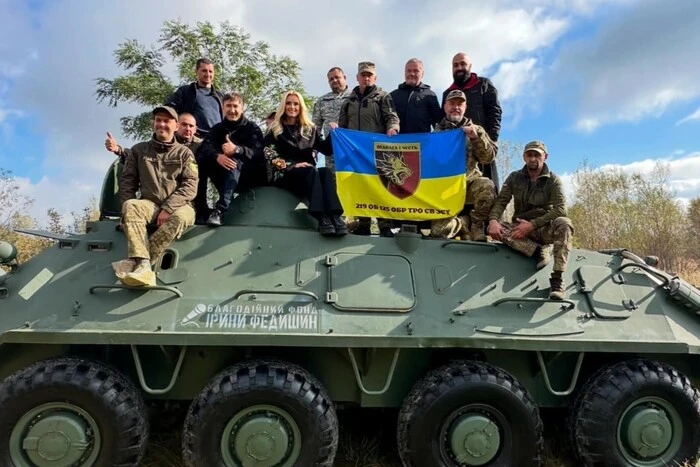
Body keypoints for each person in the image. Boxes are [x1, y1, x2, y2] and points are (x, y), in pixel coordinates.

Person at [112, 105, 197, 287]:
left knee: (180, 217)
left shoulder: (184, 153)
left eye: (167, 121)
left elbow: (190, 186)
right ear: (153, 124)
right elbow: (127, 182)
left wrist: (168, 208)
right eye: (158, 120)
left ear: (175, 126)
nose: (162, 124)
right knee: (131, 206)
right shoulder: (139, 150)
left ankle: (137, 262)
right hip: (150, 204)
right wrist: (126, 214)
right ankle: (143, 264)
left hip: (181, 206)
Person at [487, 141, 574, 300]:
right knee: (496, 228)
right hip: (520, 230)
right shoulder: (515, 177)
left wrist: (533, 225)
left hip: (544, 228)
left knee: (564, 223)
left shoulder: (553, 180)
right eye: (529, 155)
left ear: (545, 157)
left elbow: (561, 209)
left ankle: (557, 279)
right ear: (524, 157)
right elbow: (501, 201)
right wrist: (493, 220)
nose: (533, 159)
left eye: (537, 155)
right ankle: (538, 250)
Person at [265, 90, 346, 236]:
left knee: (325, 172)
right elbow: (269, 155)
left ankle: (334, 215)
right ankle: (321, 217)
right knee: (311, 171)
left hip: (309, 176)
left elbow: (326, 150)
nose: (292, 107)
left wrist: (333, 134)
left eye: (296, 104)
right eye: (288, 103)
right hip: (285, 174)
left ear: (301, 107)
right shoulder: (275, 129)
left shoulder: (310, 129)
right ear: (283, 106)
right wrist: (292, 165)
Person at [338, 61, 400, 237]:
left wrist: (393, 128)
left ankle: (385, 225)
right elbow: (342, 124)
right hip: (355, 153)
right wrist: (337, 132)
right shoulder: (349, 100)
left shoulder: (382, 96)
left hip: (377, 151)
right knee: (360, 187)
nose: (366, 78)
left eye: (369, 75)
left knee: (380, 187)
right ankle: (363, 224)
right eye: (363, 75)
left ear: (375, 77)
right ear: (357, 77)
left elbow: (392, 117)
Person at [430, 90, 496, 241]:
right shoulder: (436, 134)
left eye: (460, 104)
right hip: (446, 189)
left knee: (487, 186)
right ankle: (465, 223)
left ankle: (477, 226)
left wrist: (476, 138)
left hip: (470, 183)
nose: (456, 107)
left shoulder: (476, 130)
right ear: (445, 106)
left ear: (465, 107)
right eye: (452, 103)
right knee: (439, 232)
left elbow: (488, 158)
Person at [195, 92, 265, 226]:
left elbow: (258, 152)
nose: (232, 110)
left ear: (242, 108)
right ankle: (201, 209)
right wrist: (217, 156)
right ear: (223, 108)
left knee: (234, 160)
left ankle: (220, 210)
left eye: (235, 106)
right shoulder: (218, 129)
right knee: (201, 160)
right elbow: (205, 147)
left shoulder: (252, 128)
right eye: (228, 106)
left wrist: (237, 149)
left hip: (249, 176)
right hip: (223, 174)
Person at [442, 53, 502, 184]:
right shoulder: (447, 93)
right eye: (455, 65)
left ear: (470, 66)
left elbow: (495, 112)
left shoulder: (484, 84)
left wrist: (491, 139)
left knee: (488, 185)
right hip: (458, 152)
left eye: (463, 64)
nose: (459, 68)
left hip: (481, 143)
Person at [105, 113, 202, 164]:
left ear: (195, 129)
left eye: (191, 126)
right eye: (184, 125)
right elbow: (141, 154)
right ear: (176, 126)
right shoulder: (166, 141)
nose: (187, 128)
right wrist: (118, 149)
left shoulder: (201, 145)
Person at [164, 58, 224, 136]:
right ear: (196, 71)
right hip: (194, 138)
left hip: (216, 139)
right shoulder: (185, 91)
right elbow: (169, 109)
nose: (208, 74)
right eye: (204, 71)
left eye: (210, 71)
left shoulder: (220, 96)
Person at [312, 67, 352, 172]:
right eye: (331, 79)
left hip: (350, 149)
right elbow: (314, 128)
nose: (334, 80)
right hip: (331, 152)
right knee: (332, 182)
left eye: (337, 77)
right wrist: (314, 148)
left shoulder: (355, 98)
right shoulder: (322, 101)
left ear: (344, 77)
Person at [390, 58, 442, 134]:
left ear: (422, 74)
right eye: (409, 71)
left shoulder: (430, 95)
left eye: (416, 71)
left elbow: (438, 122)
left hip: (422, 143)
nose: (412, 74)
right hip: (398, 143)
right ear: (405, 73)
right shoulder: (393, 95)